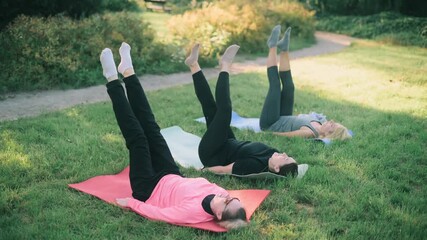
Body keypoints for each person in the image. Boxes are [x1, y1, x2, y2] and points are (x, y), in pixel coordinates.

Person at [99, 42, 247, 229]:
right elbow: (224, 198)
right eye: (231, 198)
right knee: (152, 129)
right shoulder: (220, 193)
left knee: (138, 139)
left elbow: (159, 214)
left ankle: (111, 79)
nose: (226, 196)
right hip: (170, 174)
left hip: (149, 188)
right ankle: (128, 71)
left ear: (218, 214)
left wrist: (131, 203)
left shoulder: (192, 213)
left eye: (226, 202)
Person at [185, 43, 298, 176]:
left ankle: (225, 65)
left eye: (285, 158)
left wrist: (202, 171)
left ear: (277, 168)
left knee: (225, 110)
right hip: (226, 142)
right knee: (211, 107)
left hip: (212, 153)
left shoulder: (254, 166)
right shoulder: (273, 154)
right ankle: (193, 65)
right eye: (287, 155)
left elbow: (224, 169)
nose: (284, 154)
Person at [260, 25, 352, 140]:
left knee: (275, 86)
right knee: (289, 87)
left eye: (332, 125)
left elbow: (284, 136)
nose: (332, 121)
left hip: (270, 123)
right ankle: (284, 50)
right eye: (334, 122)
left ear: (328, 134)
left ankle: (272, 46)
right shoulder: (319, 123)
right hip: (283, 117)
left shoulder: (310, 133)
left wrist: (265, 134)